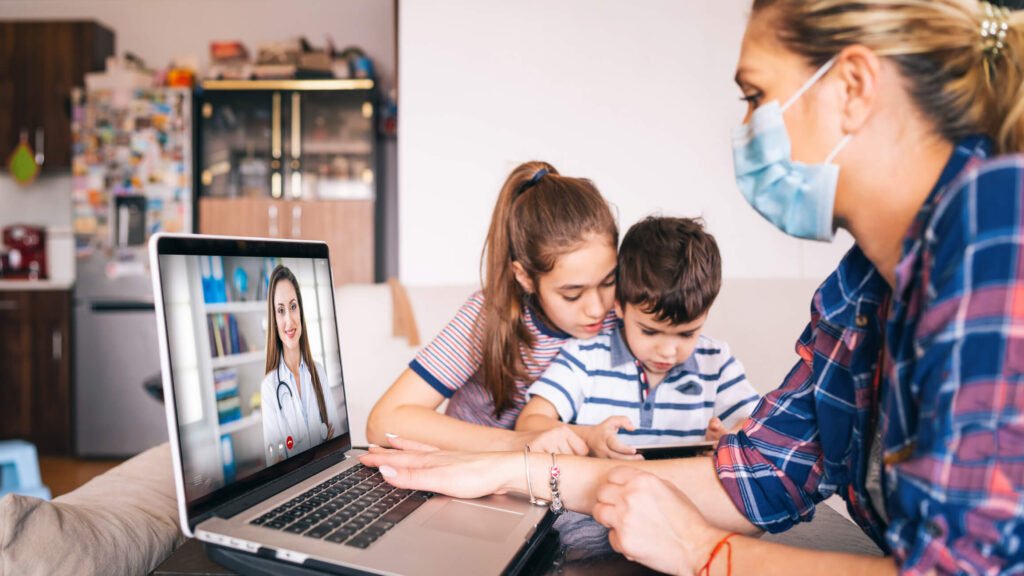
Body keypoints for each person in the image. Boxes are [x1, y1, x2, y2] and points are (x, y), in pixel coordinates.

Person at [360, 1, 1024, 574]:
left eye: (755, 97)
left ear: (850, 87)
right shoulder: (856, 296)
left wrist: (705, 553)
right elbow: (761, 469)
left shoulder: (995, 216)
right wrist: (519, 469)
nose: (744, 131)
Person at [366, 161, 620, 453]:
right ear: (525, 277)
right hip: (480, 469)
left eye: (609, 282)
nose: (598, 309)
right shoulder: (488, 315)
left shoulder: (624, 312)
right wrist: (519, 442)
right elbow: (383, 421)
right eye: (572, 294)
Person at [517, 216, 759, 460]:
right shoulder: (585, 357)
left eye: (686, 333)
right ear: (620, 305)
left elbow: (758, 425)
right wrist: (588, 436)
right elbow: (530, 422)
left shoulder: (716, 363)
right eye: (650, 331)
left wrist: (731, 437)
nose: (667, 351)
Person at [261, 265, 338, 465]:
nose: (289, 320)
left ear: (301, 311)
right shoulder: (269, 387)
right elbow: (276, 464)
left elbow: (336, 442)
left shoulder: (318, 372)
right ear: (274, 318)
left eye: (293, 307)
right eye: (280, 310)